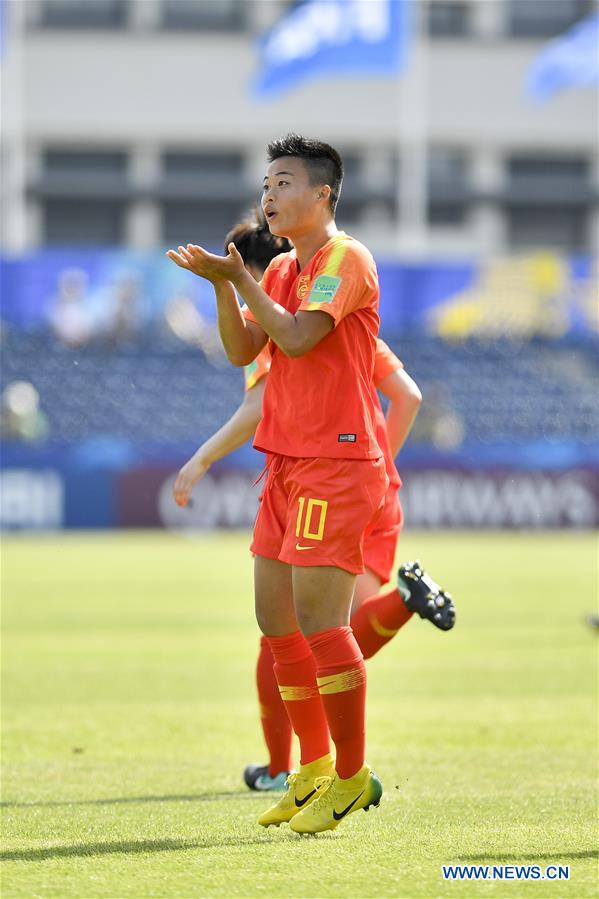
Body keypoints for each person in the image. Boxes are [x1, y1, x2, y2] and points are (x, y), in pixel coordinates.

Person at [167, 134, 449, 835]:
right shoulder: (286, 268)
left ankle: (352, 777)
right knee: (276, 625)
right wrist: (224, 288)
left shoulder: (344, 259)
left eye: (284, 181)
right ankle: (311, 769)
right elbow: (244, 350)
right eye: (265, 183)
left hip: (336, 459)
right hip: (285, 462)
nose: (269, 194)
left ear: (323, 192)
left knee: (324, 626)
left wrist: (243, 282)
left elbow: (296, 339)